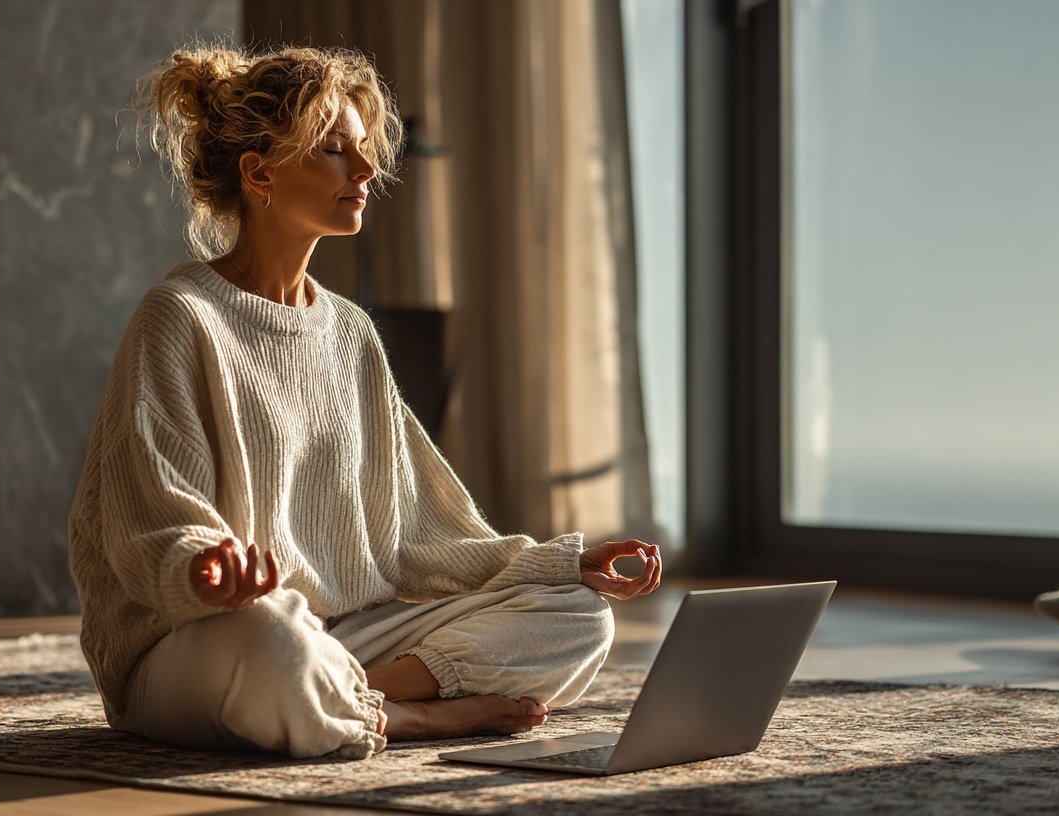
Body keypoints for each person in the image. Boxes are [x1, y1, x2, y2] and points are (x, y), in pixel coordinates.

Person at [67, 43, 663, 761]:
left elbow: (418, 529)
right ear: (259, 173)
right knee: (275, 640)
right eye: (333, 150)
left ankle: (353, 695)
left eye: (364, 149)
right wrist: (204, 570)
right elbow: (144, 515)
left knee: (580, 617)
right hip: (205, 637)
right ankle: (413, 717)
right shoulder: (180, 316)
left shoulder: (349, 332)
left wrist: (559, 567)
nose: (366, 171)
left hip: (345, 635)